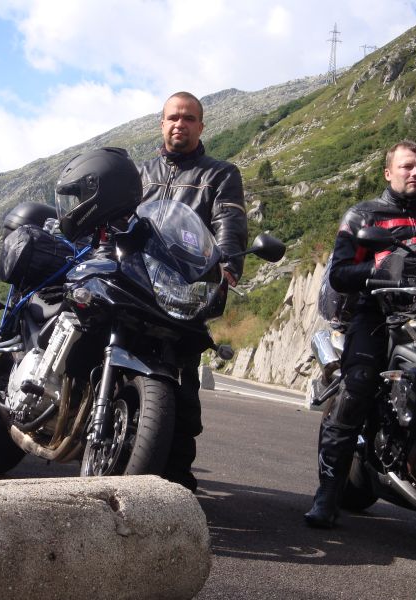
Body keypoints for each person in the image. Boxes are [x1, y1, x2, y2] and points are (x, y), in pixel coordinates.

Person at [304, 140, 416, 528]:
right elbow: (340, 274)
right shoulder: (364, 215)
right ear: (388, 172)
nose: (415, 172)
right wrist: (380, 270)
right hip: (378, 315)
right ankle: (328, 493)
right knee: (357, 386)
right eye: (407, 166)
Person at [139, 91, 248, 492]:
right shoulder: (141, 173)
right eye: (173, 117)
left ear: (201, 126)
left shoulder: (219, 175)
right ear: (161, 123)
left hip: (183, 291)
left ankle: (177, 478)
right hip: (136, 282)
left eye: (188, 118)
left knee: (182, 379)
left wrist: (228, 265)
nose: (179, 124)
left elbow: (228, 222)